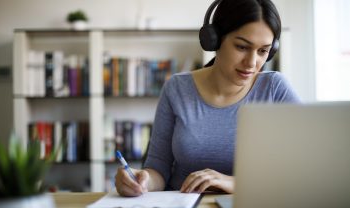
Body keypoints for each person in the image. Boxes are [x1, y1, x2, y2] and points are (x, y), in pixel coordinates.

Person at [115, 0, 300, 197]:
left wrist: (234, 183)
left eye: (263, 51)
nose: (252, 63)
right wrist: (141, 180)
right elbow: (158, 169)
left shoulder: (274, 89)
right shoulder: (176, 89)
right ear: (214, 39)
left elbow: (305, 168)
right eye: (242, 47)